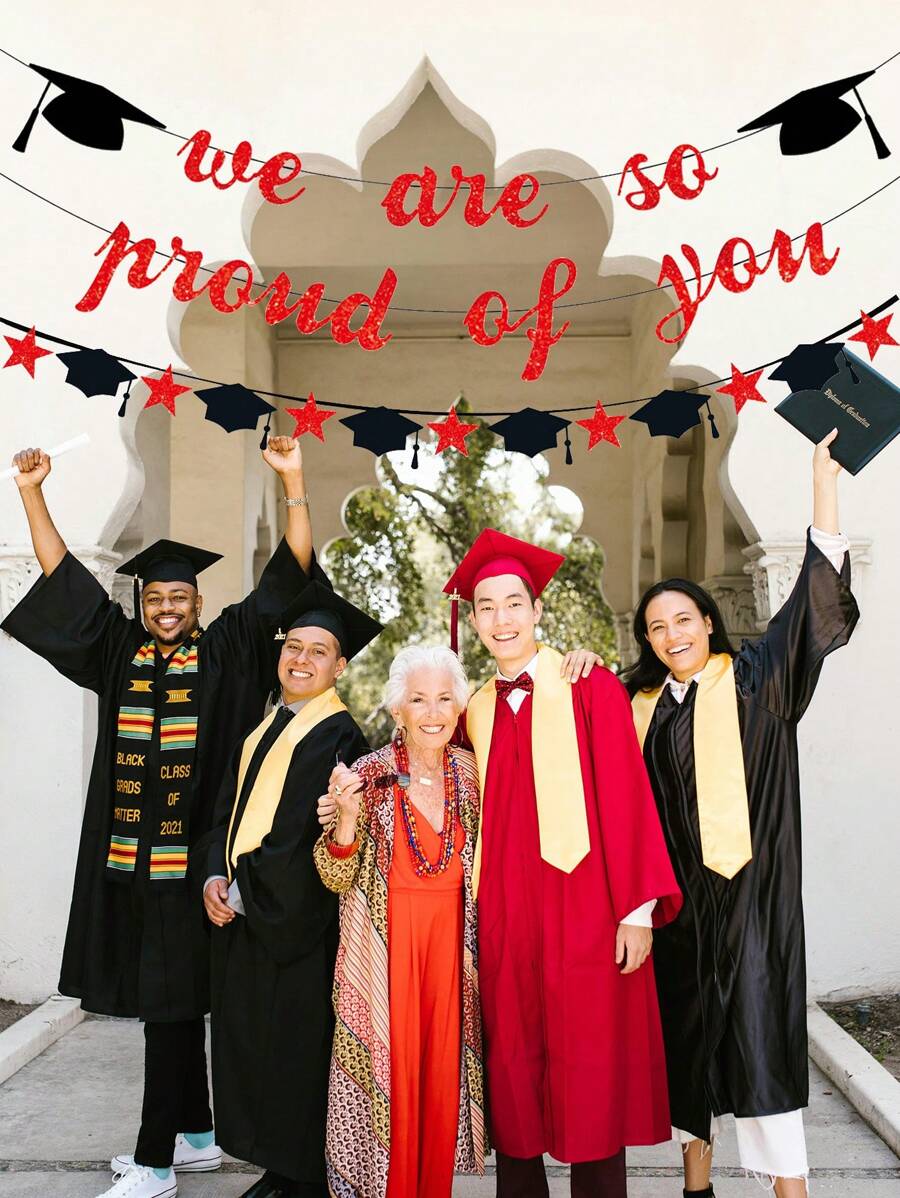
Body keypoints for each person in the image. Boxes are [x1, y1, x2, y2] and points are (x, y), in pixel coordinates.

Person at [2, 437, 316, 1198]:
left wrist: (294, 483)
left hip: (194, 866)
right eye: (155, 600)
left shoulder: (230, 651)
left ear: (198, 604)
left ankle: (154, 1162)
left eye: (179, 598)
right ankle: (198, 1137)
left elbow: (288, 576)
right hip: (129, 870)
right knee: (167, 1008)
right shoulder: (120, 652)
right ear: (141, 605)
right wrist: (32, 494)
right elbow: (63, 581)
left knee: (169, 1013)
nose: (167, 608)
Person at [624, 432, 859, 1198]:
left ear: (706, 621)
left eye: (683, 619)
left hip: (755, 907)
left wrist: (823, 486)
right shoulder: (640, 710)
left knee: (762, 1049)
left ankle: (790, 1191)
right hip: (681, 914)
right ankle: (697, 1186)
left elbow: (809, 609)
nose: (673, 635)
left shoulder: (760, 679)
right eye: (657, 627)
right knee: (687, 1051)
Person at [444, 530, 681, 1198]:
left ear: (538, 610)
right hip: (507, 917)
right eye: (486, 607)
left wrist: (637, 912)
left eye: (513, 603)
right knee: (514, 1067)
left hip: (587, 912)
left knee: (591, 1066)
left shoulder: (590, 686)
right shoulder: (473, 711)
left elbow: (627, 798)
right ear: (474, 619)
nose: (501, 619)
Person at [200, 582, 378, 1198]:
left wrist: (242, 890)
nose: (302, 659)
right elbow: (225, 813)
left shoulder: (338, 735)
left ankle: (302, 1179)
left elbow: (302, 837)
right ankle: (277, 1171)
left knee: (292, 1053)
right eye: (293, 646)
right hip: (247, 912)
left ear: (340, 666)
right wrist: (214, 875)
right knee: (256, 1050)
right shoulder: (265, 725)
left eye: (318, 651)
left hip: (295, 926)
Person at [313, 645, 486, 1198]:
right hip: (386, 957)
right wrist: (344, 819)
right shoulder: (368, 774)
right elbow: (335, 874)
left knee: (441, 1081)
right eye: (418, 700)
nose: (433, 713)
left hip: (451, 954)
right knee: (394, 1082)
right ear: (397, 710)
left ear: (459, 707)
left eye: (444, 699)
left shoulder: (472, 773)